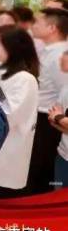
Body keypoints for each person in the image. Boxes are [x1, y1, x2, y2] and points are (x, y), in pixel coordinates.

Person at [0, 25, 40, 199]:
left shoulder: (25, 79)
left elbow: (8, 116)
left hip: (8, 151)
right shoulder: (2, 69)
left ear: (13, 48)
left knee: (5, 197)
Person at [27, 8, 68, 194]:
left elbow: (64, 92)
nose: (33, 26)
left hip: (51, 120)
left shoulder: (60, 56)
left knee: (43, 170)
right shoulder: (48, 51)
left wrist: (58, 119)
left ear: (52, 28)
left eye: (38, 22)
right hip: (46, 118)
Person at [48, 50, 68, 190]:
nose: (61, 57)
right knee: (57, 194)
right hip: (62, 155)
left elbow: (56, 116)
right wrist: (60, 120)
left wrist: (59, 117)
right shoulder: (65, 87)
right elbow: (52, 118)